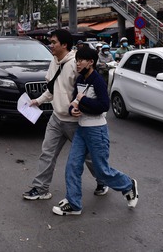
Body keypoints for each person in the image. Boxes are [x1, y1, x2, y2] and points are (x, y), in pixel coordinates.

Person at [52, 46, 138, 216]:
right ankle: (74, 204)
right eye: (76, 60)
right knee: (72, 166)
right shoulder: (79, 79)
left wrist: (82, 100)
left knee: (101, 171)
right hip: (82, 129)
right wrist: (72, 110)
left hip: (96, 130)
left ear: (90, 62)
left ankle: (128, 185)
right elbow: (73, 101)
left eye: (81, 60)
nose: (77, 63)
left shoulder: (98, 80)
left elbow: (103, 106)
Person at [23, 29, 105, 200]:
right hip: (56, 118)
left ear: (65, 45)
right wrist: (38, 101)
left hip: (74, 122)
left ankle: (102, 180)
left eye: (54, 42)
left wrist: (80, 106)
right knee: (47, 153)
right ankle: (40, 189)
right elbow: (53, 88)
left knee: (88, 156)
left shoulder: (75, 65)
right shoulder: (54, 60)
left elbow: (86, 90)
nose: (50, 45)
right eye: (50, 42)